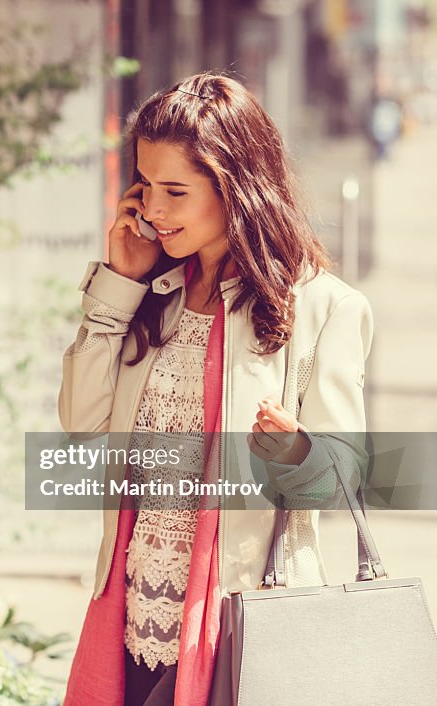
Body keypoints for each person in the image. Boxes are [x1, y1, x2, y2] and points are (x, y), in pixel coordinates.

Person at [58, 72, 372, 706]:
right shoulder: (151, 291)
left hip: (242, 621)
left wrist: (298, 452)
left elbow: (346, 479)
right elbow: (81, 419)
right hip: (135, 611)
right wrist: (118, 288)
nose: (153, 209)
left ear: (237, 189)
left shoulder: (321, 307)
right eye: (145, 186)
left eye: (176, 190)